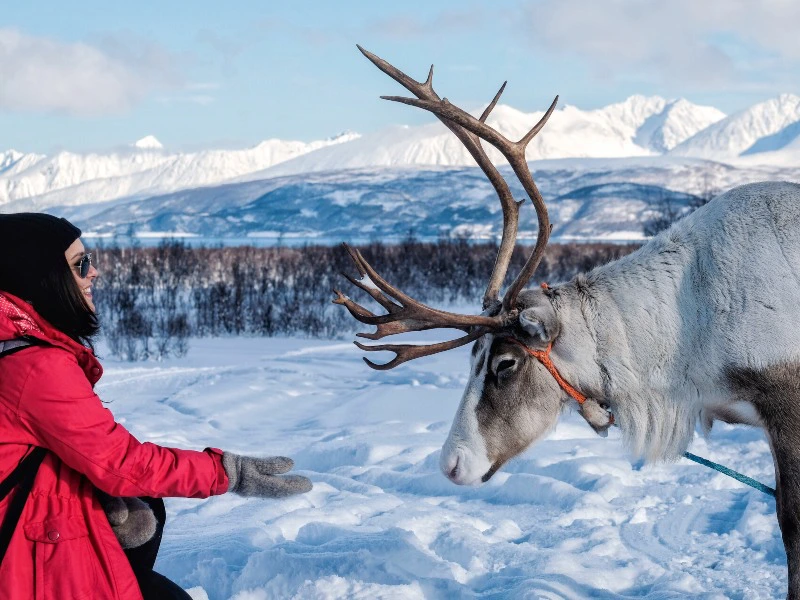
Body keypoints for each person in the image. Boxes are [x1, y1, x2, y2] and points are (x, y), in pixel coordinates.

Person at [0, 214, 313, 599]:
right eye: (80, 264)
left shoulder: (12, 349)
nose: (94, 272)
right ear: (42, 279)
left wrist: (91, 499)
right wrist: (228, 472)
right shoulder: (36, 366)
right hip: (33, 564)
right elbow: (123, 464)